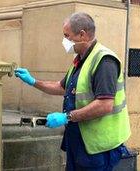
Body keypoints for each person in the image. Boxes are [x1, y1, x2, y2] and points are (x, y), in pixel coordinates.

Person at [14, 12, 131, 171]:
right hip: (80, 141)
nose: (64, 41)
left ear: (82, 35)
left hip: (99, 147)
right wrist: (33, 81)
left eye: (67, 36)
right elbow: (62, 87)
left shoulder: (104, 60)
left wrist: (67, 117)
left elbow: (104, 105)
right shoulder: (81, 60)